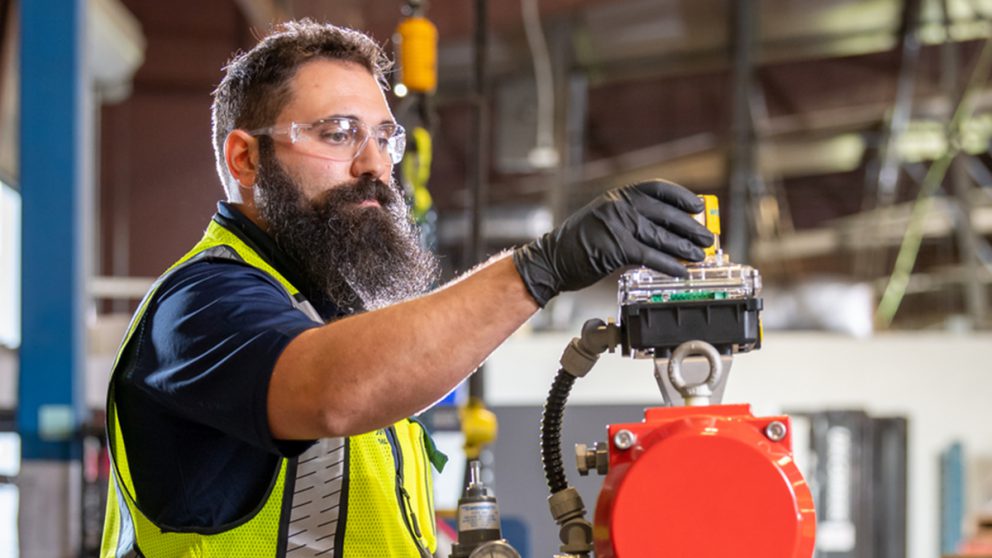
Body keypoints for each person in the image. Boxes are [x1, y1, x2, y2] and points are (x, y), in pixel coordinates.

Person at [100, 19, 714, 558]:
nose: (374, 165)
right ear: (245, 160)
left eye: (385, 137)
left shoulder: (335, 316)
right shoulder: (200, 304)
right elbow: (333, 393)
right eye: (338, 133)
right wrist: (540, 268)